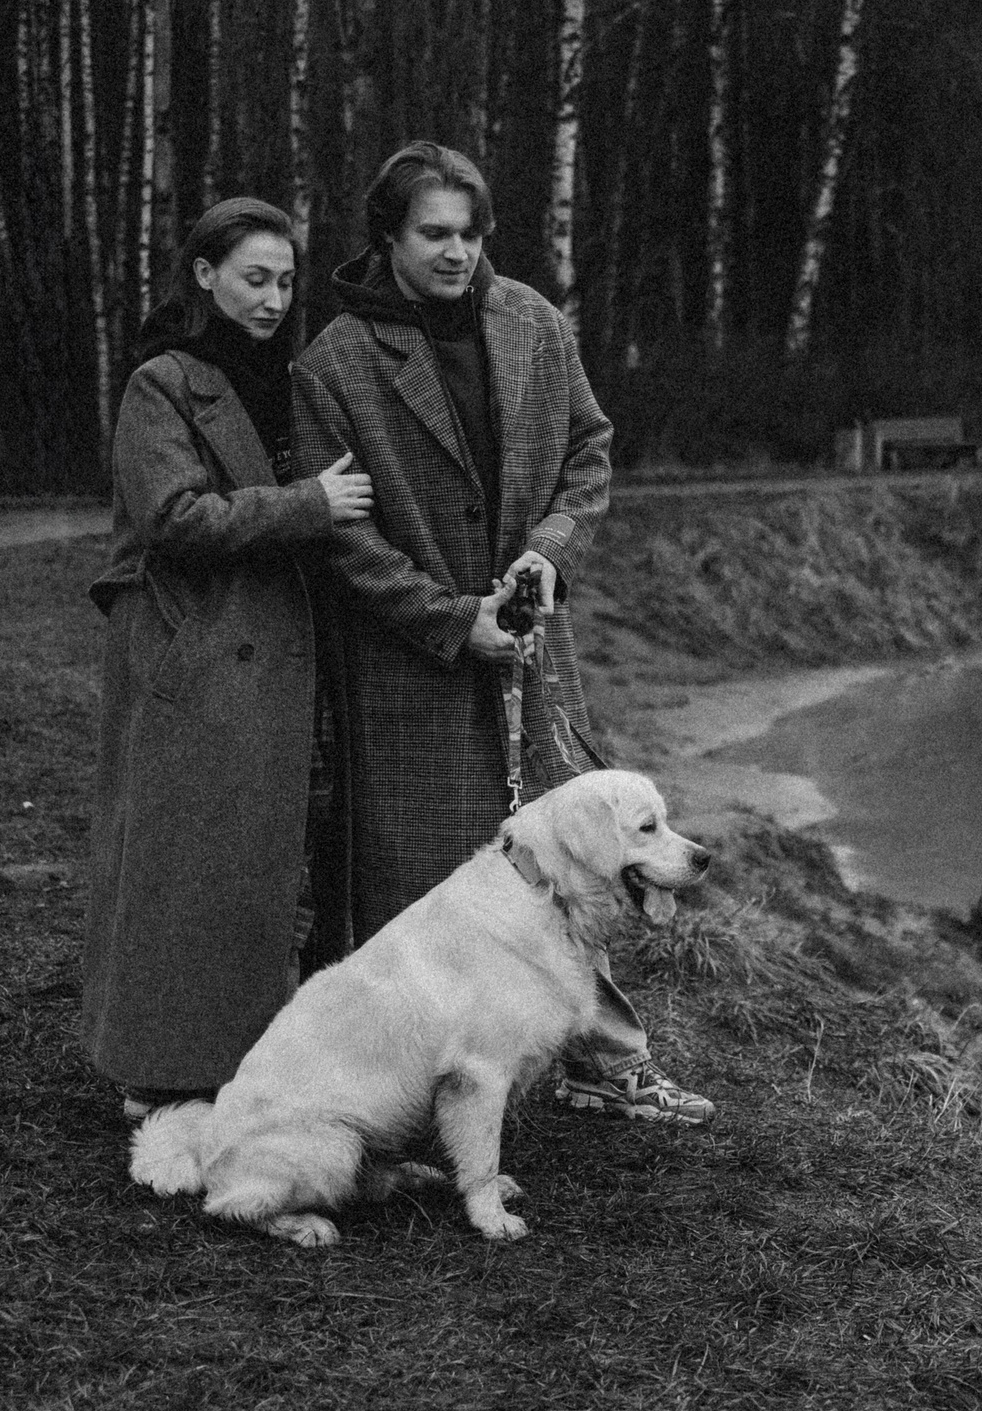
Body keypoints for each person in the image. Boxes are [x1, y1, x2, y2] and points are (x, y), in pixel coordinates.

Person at [293, 140, 713, 1125]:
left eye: (471, 233)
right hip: (406, 667)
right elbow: (340, 538)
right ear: (387, 237)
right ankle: (408, 1095)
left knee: (572, 863)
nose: (455, 252)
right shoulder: (334, 364)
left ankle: (604, 1063)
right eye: (432, 233)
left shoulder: (530, 321)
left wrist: (549, 553)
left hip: (529, 651)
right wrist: (450, 621)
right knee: (423, 885)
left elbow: (588, 450)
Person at [81, 198, 376, 1123]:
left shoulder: (290, 382)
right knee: (184, 861)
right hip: (196, 649)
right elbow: (173, 517)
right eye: (255, 277)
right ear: (204, 274)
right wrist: (308, 506)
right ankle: (161, 1071)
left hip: (274, 649)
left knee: (261, 863)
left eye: (287, 282)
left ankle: (246, 1063)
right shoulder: (161, 383)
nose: (275, 298)